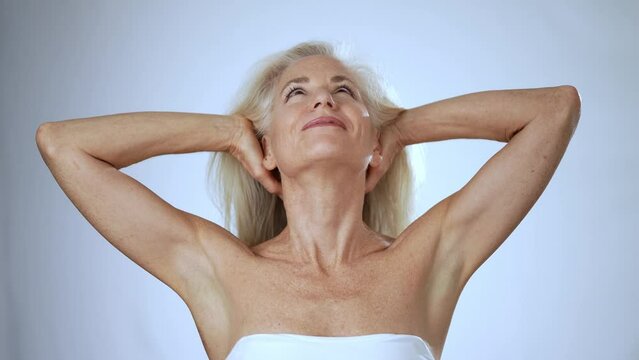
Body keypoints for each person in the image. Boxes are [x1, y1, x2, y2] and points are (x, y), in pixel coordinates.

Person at [35, 40, 581, 360]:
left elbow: (555, 109)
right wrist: (229, 133)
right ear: (266, 147)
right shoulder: (220, 269)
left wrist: (399, 128)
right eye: (297, 93)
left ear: (372, 144)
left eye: (345, 91)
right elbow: (63, 144)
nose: (324, 95)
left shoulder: (429, 256)